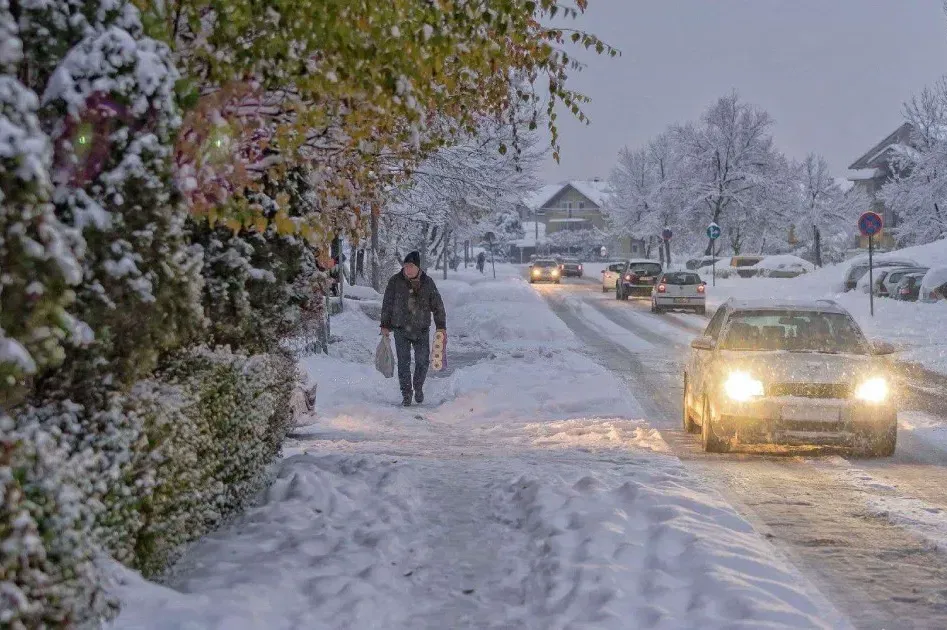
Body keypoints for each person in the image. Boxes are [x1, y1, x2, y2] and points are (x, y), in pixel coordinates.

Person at [380, 251, 447, 406]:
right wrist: (385, 325)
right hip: (400, 328)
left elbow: (437, 305)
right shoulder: (395, 282)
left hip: (421, 328)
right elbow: (387, 304)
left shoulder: (427, 283)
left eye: (411, 266)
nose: (408, 269)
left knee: (422, 361)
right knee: (403, 362)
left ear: (418, 267)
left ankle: (418, 386)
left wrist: (441, 326)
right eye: (406, 266)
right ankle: (406, 393)